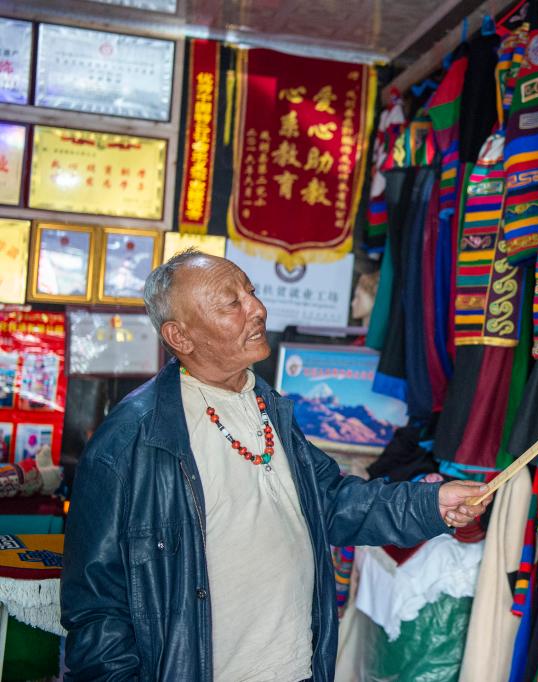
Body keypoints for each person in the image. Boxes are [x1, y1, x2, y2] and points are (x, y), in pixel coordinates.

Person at [61, 250, 490, 681]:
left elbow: (330, 502)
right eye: (232, 302)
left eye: (251, 291)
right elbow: (96, 607)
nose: (257, 308)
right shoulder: (131, 440)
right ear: (180, 336)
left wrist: (430, 503)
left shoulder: (266, 405)